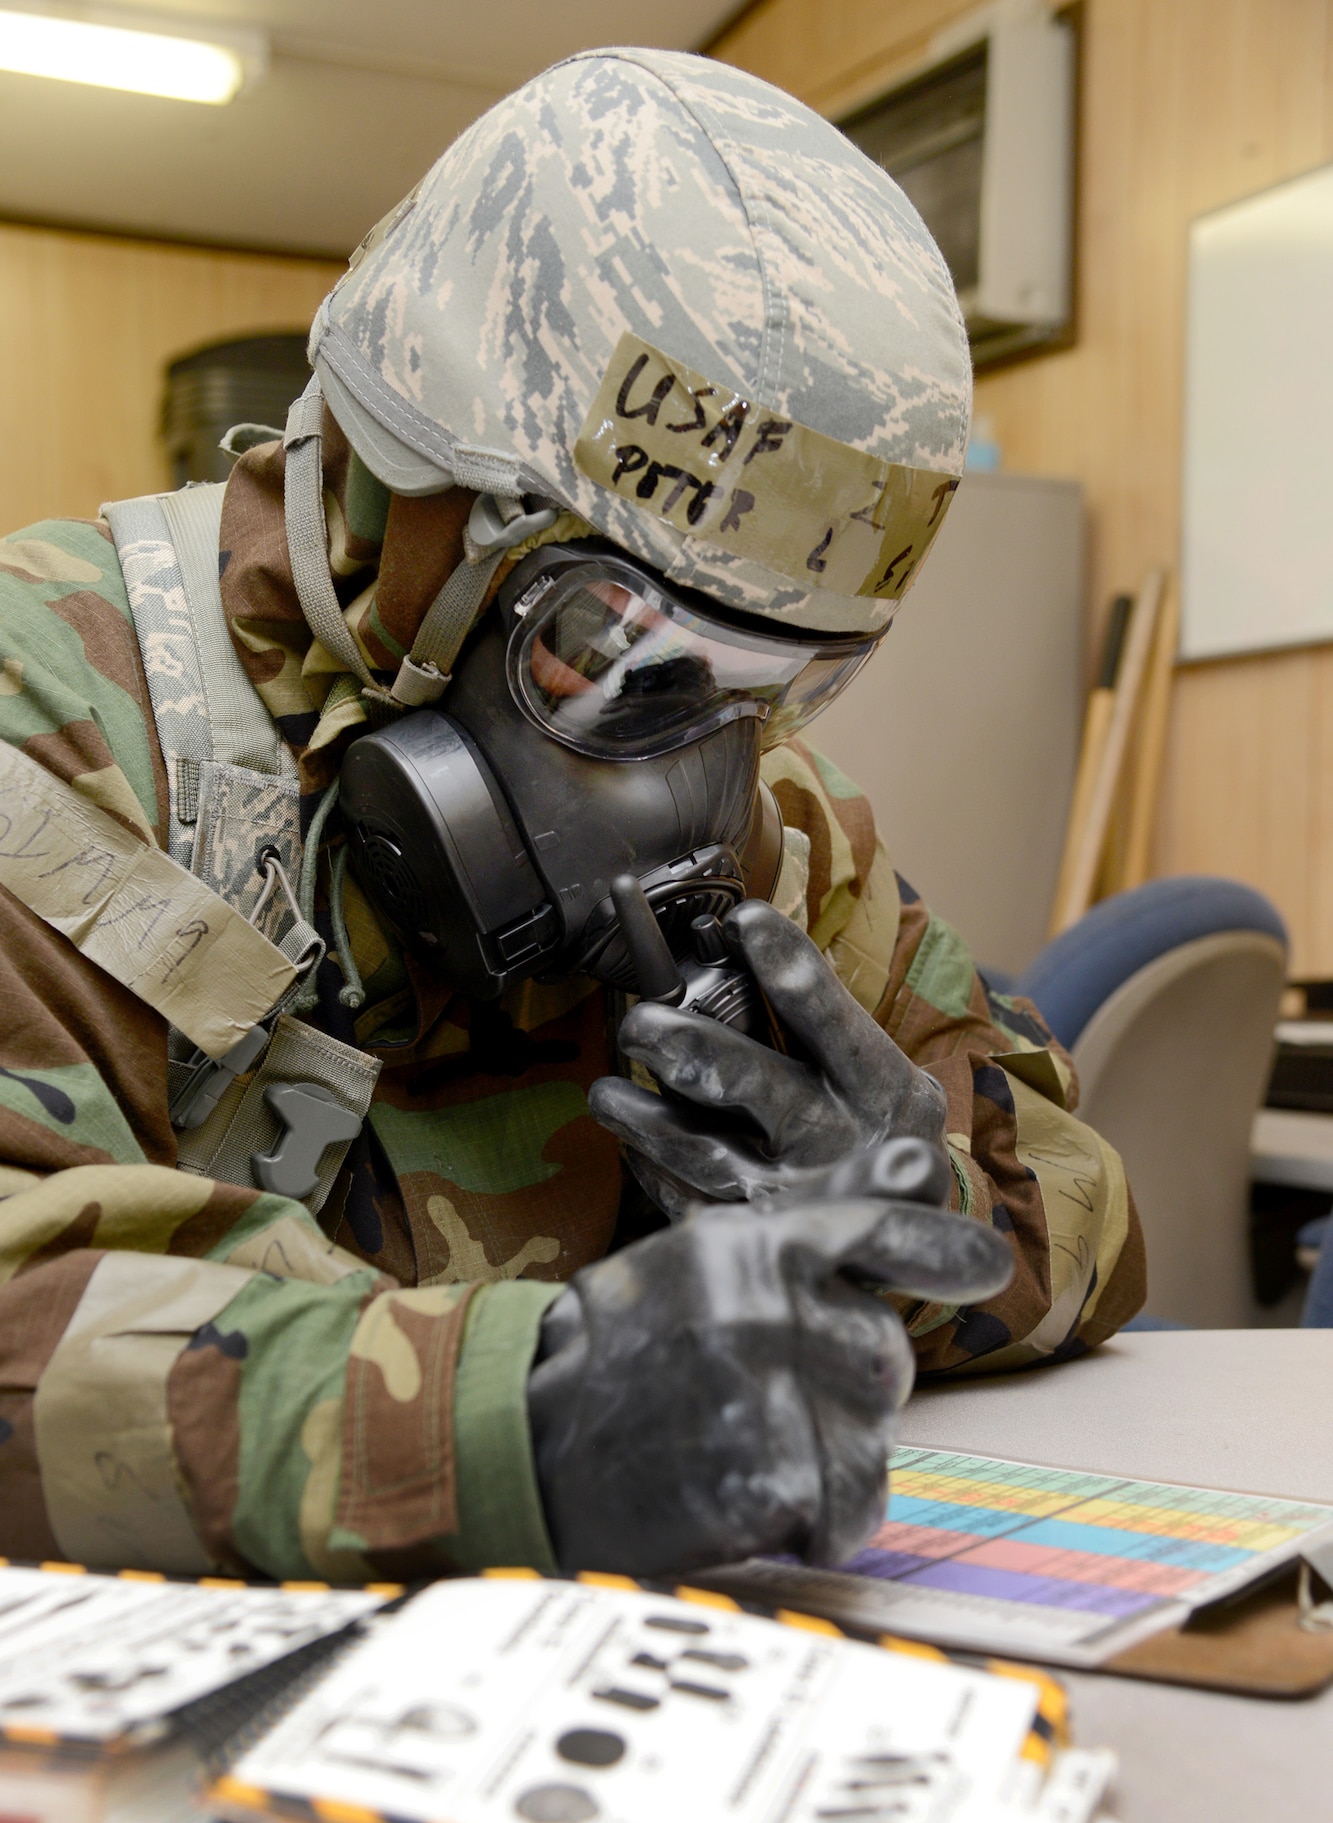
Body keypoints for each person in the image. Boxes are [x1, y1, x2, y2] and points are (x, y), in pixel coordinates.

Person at [0, 49, 1144, 1587]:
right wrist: (510, 1427)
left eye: (779, 681)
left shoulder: (762, 812)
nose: (700, 766)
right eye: (613, 648)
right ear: (404, 484)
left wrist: (906, 1220)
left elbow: (1082, 1208)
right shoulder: (53, 727)